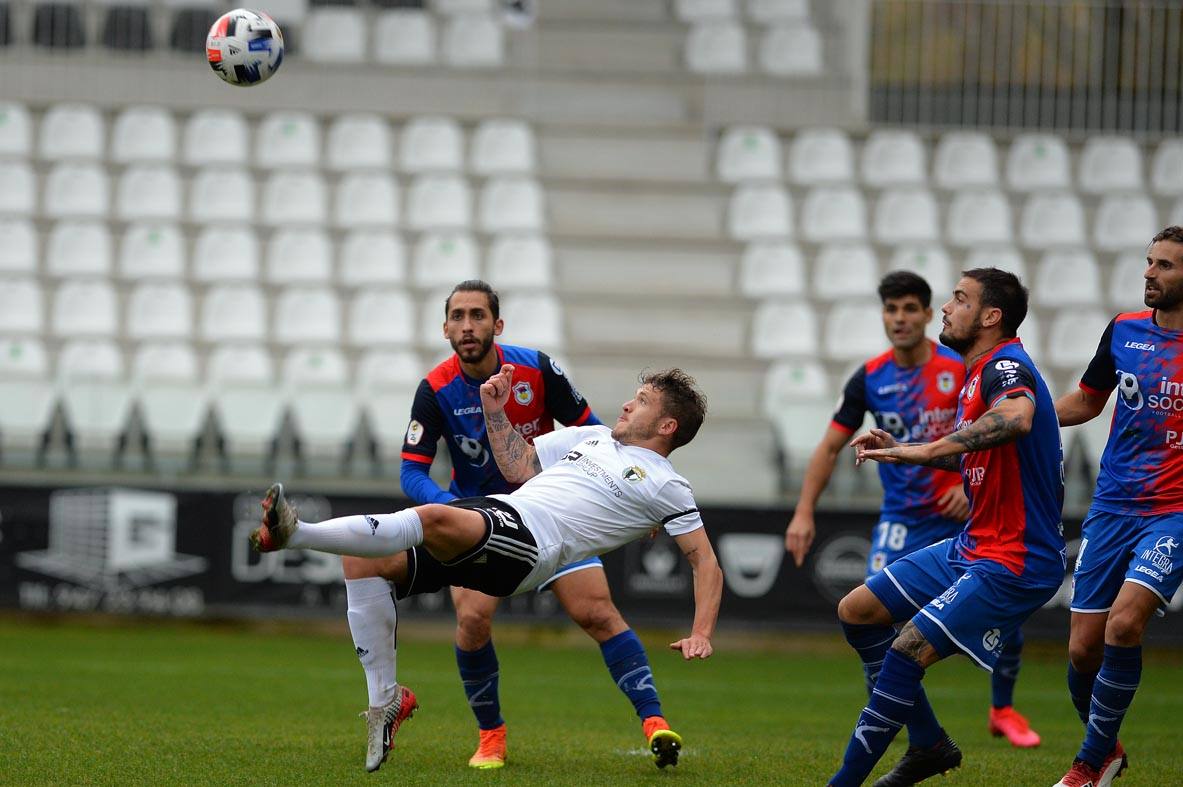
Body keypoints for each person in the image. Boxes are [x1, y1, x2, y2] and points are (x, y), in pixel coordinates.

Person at [251, 365, 722, 773]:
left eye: (640, 402)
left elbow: (705, 561)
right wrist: (495, 411)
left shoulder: (668, 486)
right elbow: (518, 466)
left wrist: (701, 632)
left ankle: (297, 533)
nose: (625, 404)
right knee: (363, 561)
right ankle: (385, 700)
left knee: (433, 518)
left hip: (533, 547)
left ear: (666, 425)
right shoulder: (591, 437)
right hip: (504, 510)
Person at [337, 280, 682, 772]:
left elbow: (604, 433)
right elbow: (411, 471)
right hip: (481, 524)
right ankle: (491, 736)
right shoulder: (434, 389)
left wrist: (633, 492)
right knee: (473, 622)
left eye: (477, 315)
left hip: (556, 513)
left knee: (599, 614)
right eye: (457, 316)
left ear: (497, 325)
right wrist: (455, 511)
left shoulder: (537, 370)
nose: (467, 325)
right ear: (445, 328)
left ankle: (655, 724)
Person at [785, 271, 1042, 766]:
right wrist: (803, 511)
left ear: (926, 314)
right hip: (902, 519)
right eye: (891, 310)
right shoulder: (870, 377)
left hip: (964, 515)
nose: (899, 319)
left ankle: (1002, 707)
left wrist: (969, 488)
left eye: (909, 309)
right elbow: (831, 444)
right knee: (870, 621)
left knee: (1004, 615)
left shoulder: (964, 363)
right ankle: (924, 736)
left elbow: (996, 429)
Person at [1051, 226, 1183, 787]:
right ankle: (1107, 750)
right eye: (1149, 262)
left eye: (1166, 266)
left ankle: (1089, 762)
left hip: (1173, 513)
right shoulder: (1124, 331)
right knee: (1082, 651)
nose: (1150, 273)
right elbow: (1087, 400)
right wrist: (1020, 420)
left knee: (1123, 624)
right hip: (1112, 506)